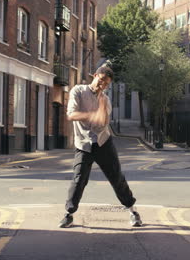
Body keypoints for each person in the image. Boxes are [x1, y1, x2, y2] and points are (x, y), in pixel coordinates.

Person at [59, 66, 142, 228]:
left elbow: (102, 124)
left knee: (116, 177)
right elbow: (71, 114)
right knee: (78, 179)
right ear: (95, 75)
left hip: (104, 143)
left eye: (106, 84)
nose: (102, 85)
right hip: (83, 144)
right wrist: (91, 115)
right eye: (101, 80)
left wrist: (102, 109)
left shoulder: (106, 99)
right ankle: (69, 214)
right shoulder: (78, 91)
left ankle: (133, 211)